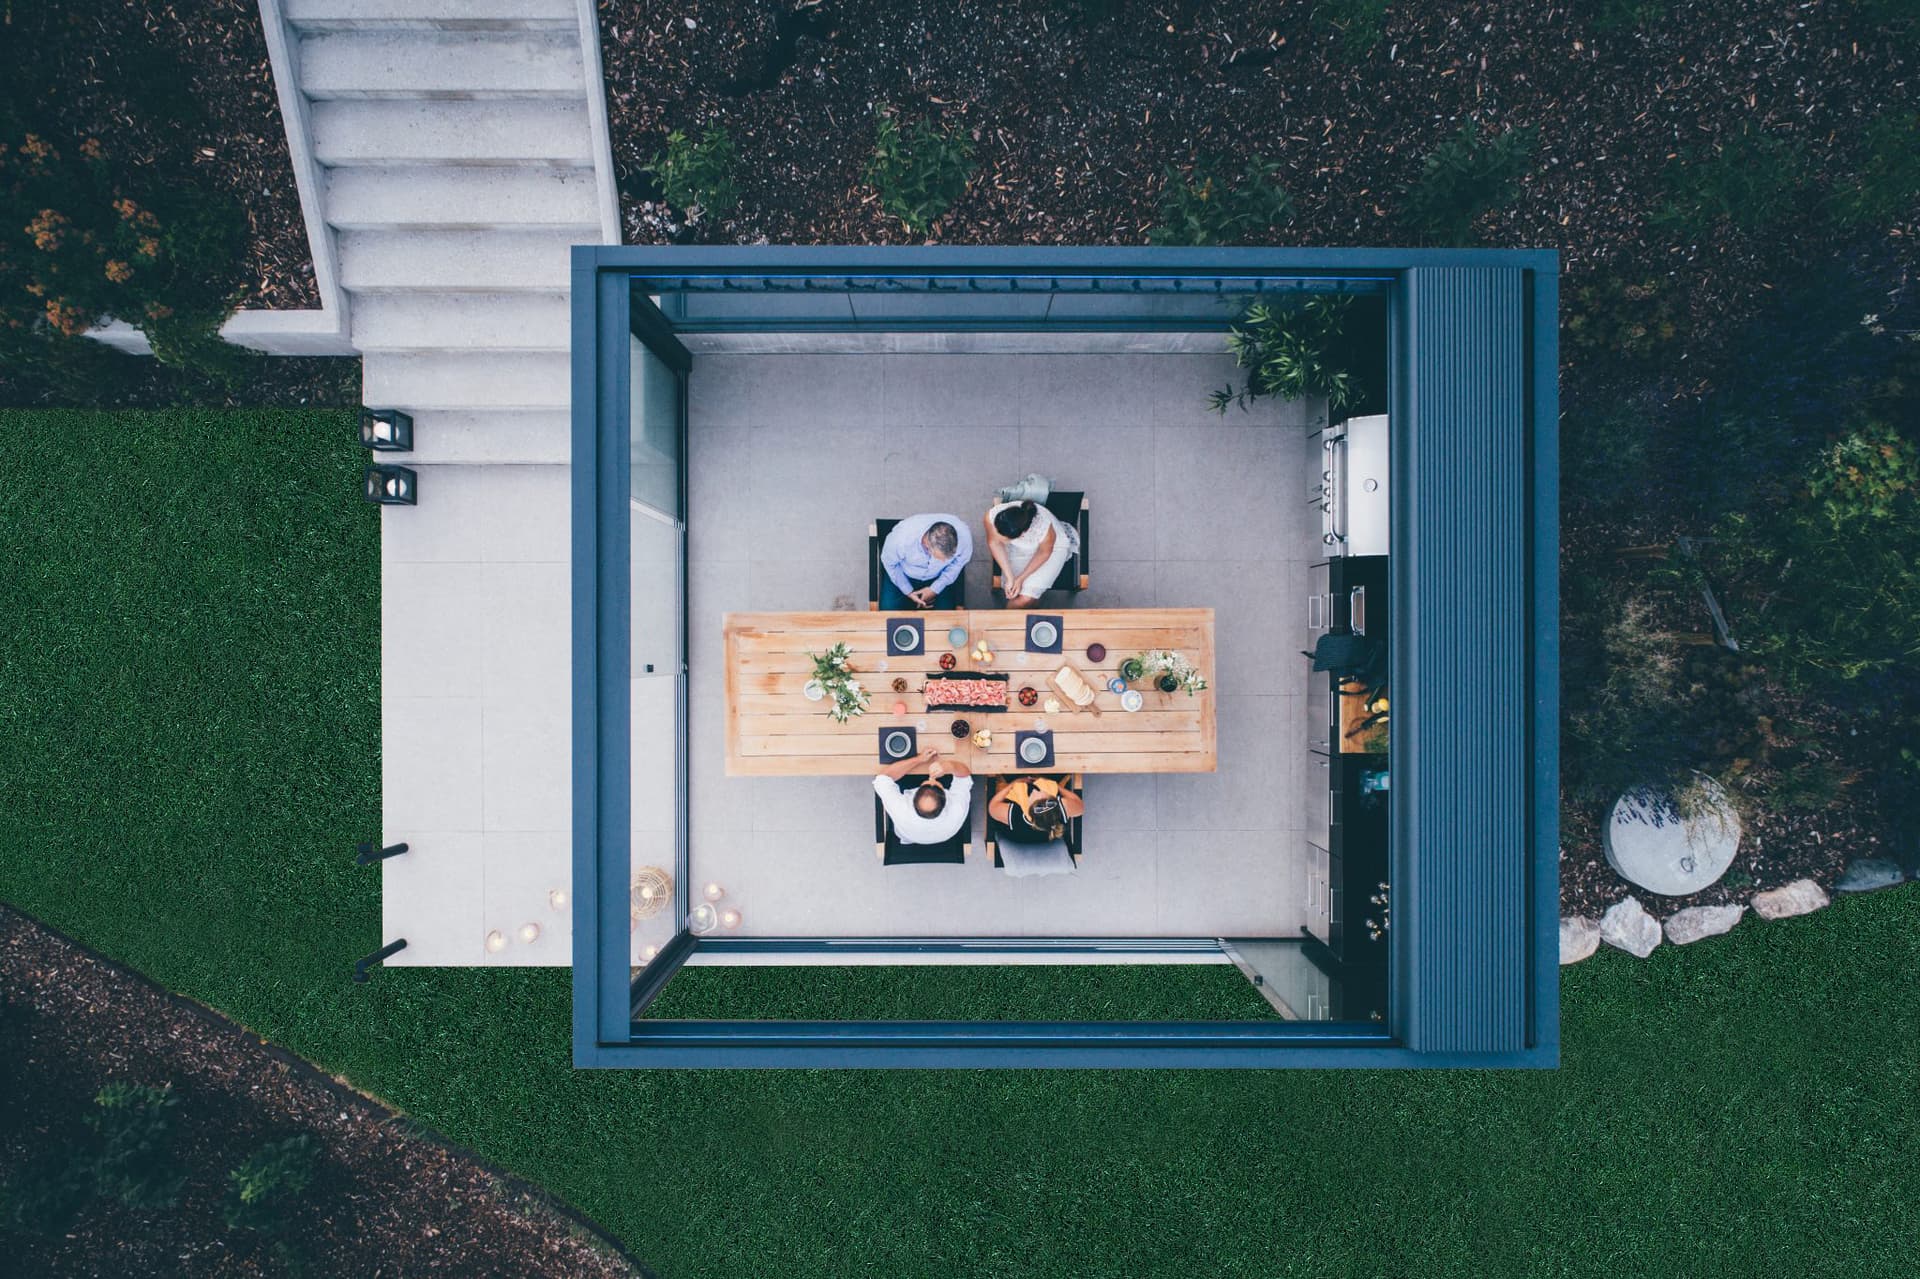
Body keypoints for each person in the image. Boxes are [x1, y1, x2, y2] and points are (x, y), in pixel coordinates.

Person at [983, 498, 1079, 608]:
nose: (1001, 539)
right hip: (1018, 549)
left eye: (1005, 538)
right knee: (1016, 592)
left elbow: (1044, 553)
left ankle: (1029, 602)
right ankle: (1030, 604)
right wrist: (1010, 577)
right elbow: (995, 543)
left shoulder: (1044, 529)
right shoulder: (991, 517)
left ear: (1022, 534)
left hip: (1050, 550)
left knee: (1024, 599)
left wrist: (1020, 579)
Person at [874, 749, 973, 846]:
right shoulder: (956, 809)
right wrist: (947, 766)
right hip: (943, 835)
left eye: (927, 785)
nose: (931, 781)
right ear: (946, 802)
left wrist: (919, 759)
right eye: (936, 785)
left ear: (913, 800)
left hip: (909, 836)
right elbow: (964, 776)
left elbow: (882, 778)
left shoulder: (901, 808)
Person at [879, 514, 971, 611]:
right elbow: (890, 563)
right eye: (939, 558)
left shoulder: (964, 537)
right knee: (888, 613)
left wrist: (935, 589)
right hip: (902, 574)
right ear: (926, 543)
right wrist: (908, 591)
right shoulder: (900, 540)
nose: (944, 561)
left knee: (946, 619)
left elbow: (957, 564)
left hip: (940, 576)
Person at [986, 775, 1085, 843]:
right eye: (1046, 799)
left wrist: (1013, 783)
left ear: (1027, 807)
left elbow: (992, 807)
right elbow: (1080, 807)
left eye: (1034, 795)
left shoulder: (1016, 815)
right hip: (1044, 839)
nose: (1035, 790)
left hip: (1018, 837)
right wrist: (1057, 786)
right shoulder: (1062, 808)